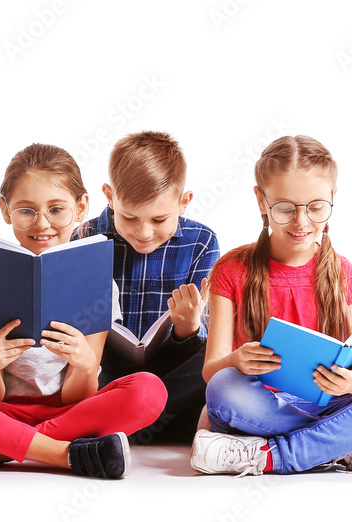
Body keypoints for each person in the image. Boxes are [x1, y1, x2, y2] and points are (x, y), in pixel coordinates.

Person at [0, 143, 166, 479]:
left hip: (71, 410)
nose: (42, 224)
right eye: (26, 210)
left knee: (149, 391)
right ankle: (63, 453)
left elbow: (80, 394)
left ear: (81, 207)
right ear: (5, 209)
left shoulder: (96, 280)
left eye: (57, 209)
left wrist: (85, 364)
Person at [191, 135, 352, 476]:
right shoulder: (231, 269)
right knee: (223, 388)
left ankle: (267, 456)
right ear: (261, 200)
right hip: (264, 404)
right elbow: (212, 370)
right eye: (285, 208)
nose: (301, 223)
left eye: (315, 207)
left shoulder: (343, 274)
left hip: (333, 402)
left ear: (332, 199)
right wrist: (237, 359)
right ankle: (350, 446)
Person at [74, 131, 219, 443]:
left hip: (172, 374)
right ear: (109, 196)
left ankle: (123, 424)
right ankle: (158, 425)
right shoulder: (84, 237)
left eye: (158, 219)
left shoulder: (202, 242)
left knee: (218, 358)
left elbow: (204, 340)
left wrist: (188, 327)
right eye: (128, 217)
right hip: (108, 371)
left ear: (183, 203)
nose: (143, 232)